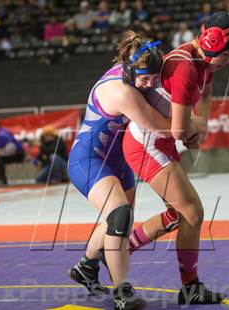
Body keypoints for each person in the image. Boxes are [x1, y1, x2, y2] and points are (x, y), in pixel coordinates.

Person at [122, 12, 229, 305]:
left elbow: (208, 91)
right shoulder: (184, 66)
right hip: (146, 144)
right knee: (193, 212)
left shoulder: (204, 59)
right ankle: (190, 286)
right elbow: (177, 129)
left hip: (159, 142)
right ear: (212, 48)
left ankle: (115, 251)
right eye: (226, 56)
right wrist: (199, 126)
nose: (228, 61)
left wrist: (203, 122)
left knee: (178, 215)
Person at [67, 30, 173, 309]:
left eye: (154, 78)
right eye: (144, 79)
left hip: (117, 160)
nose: (150, 85)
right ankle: (122, 292)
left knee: (118, 223)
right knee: (120, 215)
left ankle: (86, 266)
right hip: (88, 158)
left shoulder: (135, 74)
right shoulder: (121, 91)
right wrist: (194, 125)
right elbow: (160, 126)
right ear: (127, 71)